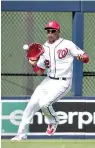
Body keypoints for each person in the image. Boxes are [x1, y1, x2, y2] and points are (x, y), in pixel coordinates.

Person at [11, 20, 89, 141]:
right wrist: (33, 64)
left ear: (58, 31)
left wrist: (82, 57)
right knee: (30, 106)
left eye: (53, 31)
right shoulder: (44, 48)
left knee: (44, 103)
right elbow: (40, 71)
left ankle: (53, 121)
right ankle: (20, 135)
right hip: (48, 80)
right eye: (48, 31)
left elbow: (85, 57)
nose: (50, 33)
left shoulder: (67, 44)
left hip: (63, 82)